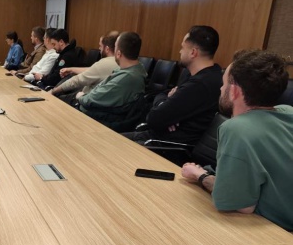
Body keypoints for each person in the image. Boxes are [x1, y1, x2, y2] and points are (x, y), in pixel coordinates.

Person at [181, 49, 293, 230]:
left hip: (274, 233)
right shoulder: (288, 112)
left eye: (224, 83)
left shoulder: (237, 129)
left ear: (234, 91)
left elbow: (238, 205)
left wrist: (199, 175)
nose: (220, 89)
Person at [122, 26, 223, 144]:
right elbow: (163, 94)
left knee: (109, 143)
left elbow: (154, 119)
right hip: (157, 137)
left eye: (182, 47)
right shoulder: (202, 74)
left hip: (164, 145)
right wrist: (165, 104)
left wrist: (167, 107)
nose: (180, 51)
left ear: (193, 52)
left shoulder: (200, 84)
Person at [76, 32, 147, 131]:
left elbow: (91, 99)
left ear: (118, 53)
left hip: (98, 120)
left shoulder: (126, 78)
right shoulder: (137, 69)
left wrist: (81, 97)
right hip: (101, 113)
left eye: (115, 46)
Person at [51, 33, 119, 104]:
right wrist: (71, 69)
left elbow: (77, 80)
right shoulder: (120, 63)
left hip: (86, 101)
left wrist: (53, 91)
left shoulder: (103, 63)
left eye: (100, 46)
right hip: (105, 102)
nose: (99, 49)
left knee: (57, 98)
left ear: (107, 49)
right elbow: (92, 70)